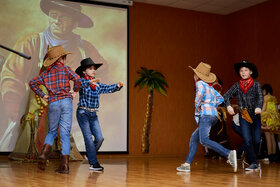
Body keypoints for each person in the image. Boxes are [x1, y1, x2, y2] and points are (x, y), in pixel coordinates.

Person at [0, 0, 107, 150]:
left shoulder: (86, 49)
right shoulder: (31, 42)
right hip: (33, 114)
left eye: (63, 17)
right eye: (53, 15)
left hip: (71, 118)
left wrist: (79, 93)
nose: (56, 20)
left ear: (75, 23)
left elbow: (100, 77)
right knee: (14, 143)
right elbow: (11, 78)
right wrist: (18, 112)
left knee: (82, 144)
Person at [176, 62, 237, 173]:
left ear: (197, 76)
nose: (194, 76)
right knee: (194, 138)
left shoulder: (199, 84)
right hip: (213, 116)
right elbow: (221, 99)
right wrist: (218, 106)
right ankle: (186, 164)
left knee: (204, 140)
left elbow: (199, 95)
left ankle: (228, 153)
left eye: (194, 74)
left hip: (206, 115)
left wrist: (197, 104)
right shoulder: (211, 88)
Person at [29, 45, 80, 174]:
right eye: (65, 57)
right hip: (66, 102)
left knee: (51, 131)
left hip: (53, 102)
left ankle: (44, 154)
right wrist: (74, 91)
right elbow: (77, 79)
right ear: (61, 58)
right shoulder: (66, 69)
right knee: (64, 134)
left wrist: (43, 95)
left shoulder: (46, 73)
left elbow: (32, 83)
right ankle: (65, 166)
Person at [75, 57, 123, 171]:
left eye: (94, 69)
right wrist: (89, 82)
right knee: (88, 138)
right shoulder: (81, 80)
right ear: (84, 71)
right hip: (83, 113)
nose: (93, 70)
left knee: (100, 138)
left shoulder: (97, 85)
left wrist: (117, 86)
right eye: (90, 68)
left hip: (93, 115)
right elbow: (79, 85)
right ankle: (93, 163)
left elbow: (107, 88)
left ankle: (89, 155)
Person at [223, 60, 263, 171]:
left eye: (246, 70)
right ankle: (254, 163)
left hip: (255, 115)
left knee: (256, 140)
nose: (243, 72)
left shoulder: (256, 84)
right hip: (243, 115)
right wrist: (228, 106)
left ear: (251, 72)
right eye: (241, 71)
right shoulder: (237, 85)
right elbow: (226, 96)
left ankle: (250, 159)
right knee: (247, 139)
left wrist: (259, 106)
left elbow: (260, 97)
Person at [261, 83, 280, 162]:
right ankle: (274, 155)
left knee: (268, 138)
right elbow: (276, 111)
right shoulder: (274, 98)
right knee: (273, 138)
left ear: (264, 91)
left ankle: (269, 156)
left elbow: (263, 109)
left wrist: (259, 115)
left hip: (267, 118)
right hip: (274, 120)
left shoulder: (265, 97)